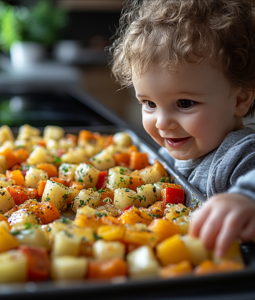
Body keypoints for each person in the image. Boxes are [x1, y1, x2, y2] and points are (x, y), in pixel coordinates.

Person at [109, 0, 255, 257]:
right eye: (150, 103)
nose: (162, 123)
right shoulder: (165, 158)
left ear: (240, 100)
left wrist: (246, 199)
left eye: (184, 103)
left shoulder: (240, 154)